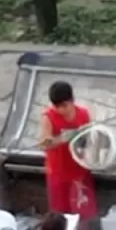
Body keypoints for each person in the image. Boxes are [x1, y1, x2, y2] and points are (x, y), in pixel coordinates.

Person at [39, 81, 98, 220]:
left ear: (72, 101)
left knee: (83, 209)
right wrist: (61, 139)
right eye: (57, 107)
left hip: (79, 170)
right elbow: (44, 144)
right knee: (60, 212)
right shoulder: (48, 117)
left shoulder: (83, 114)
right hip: (59, 171)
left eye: (64, 106)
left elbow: (90, 139)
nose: (61, 110)